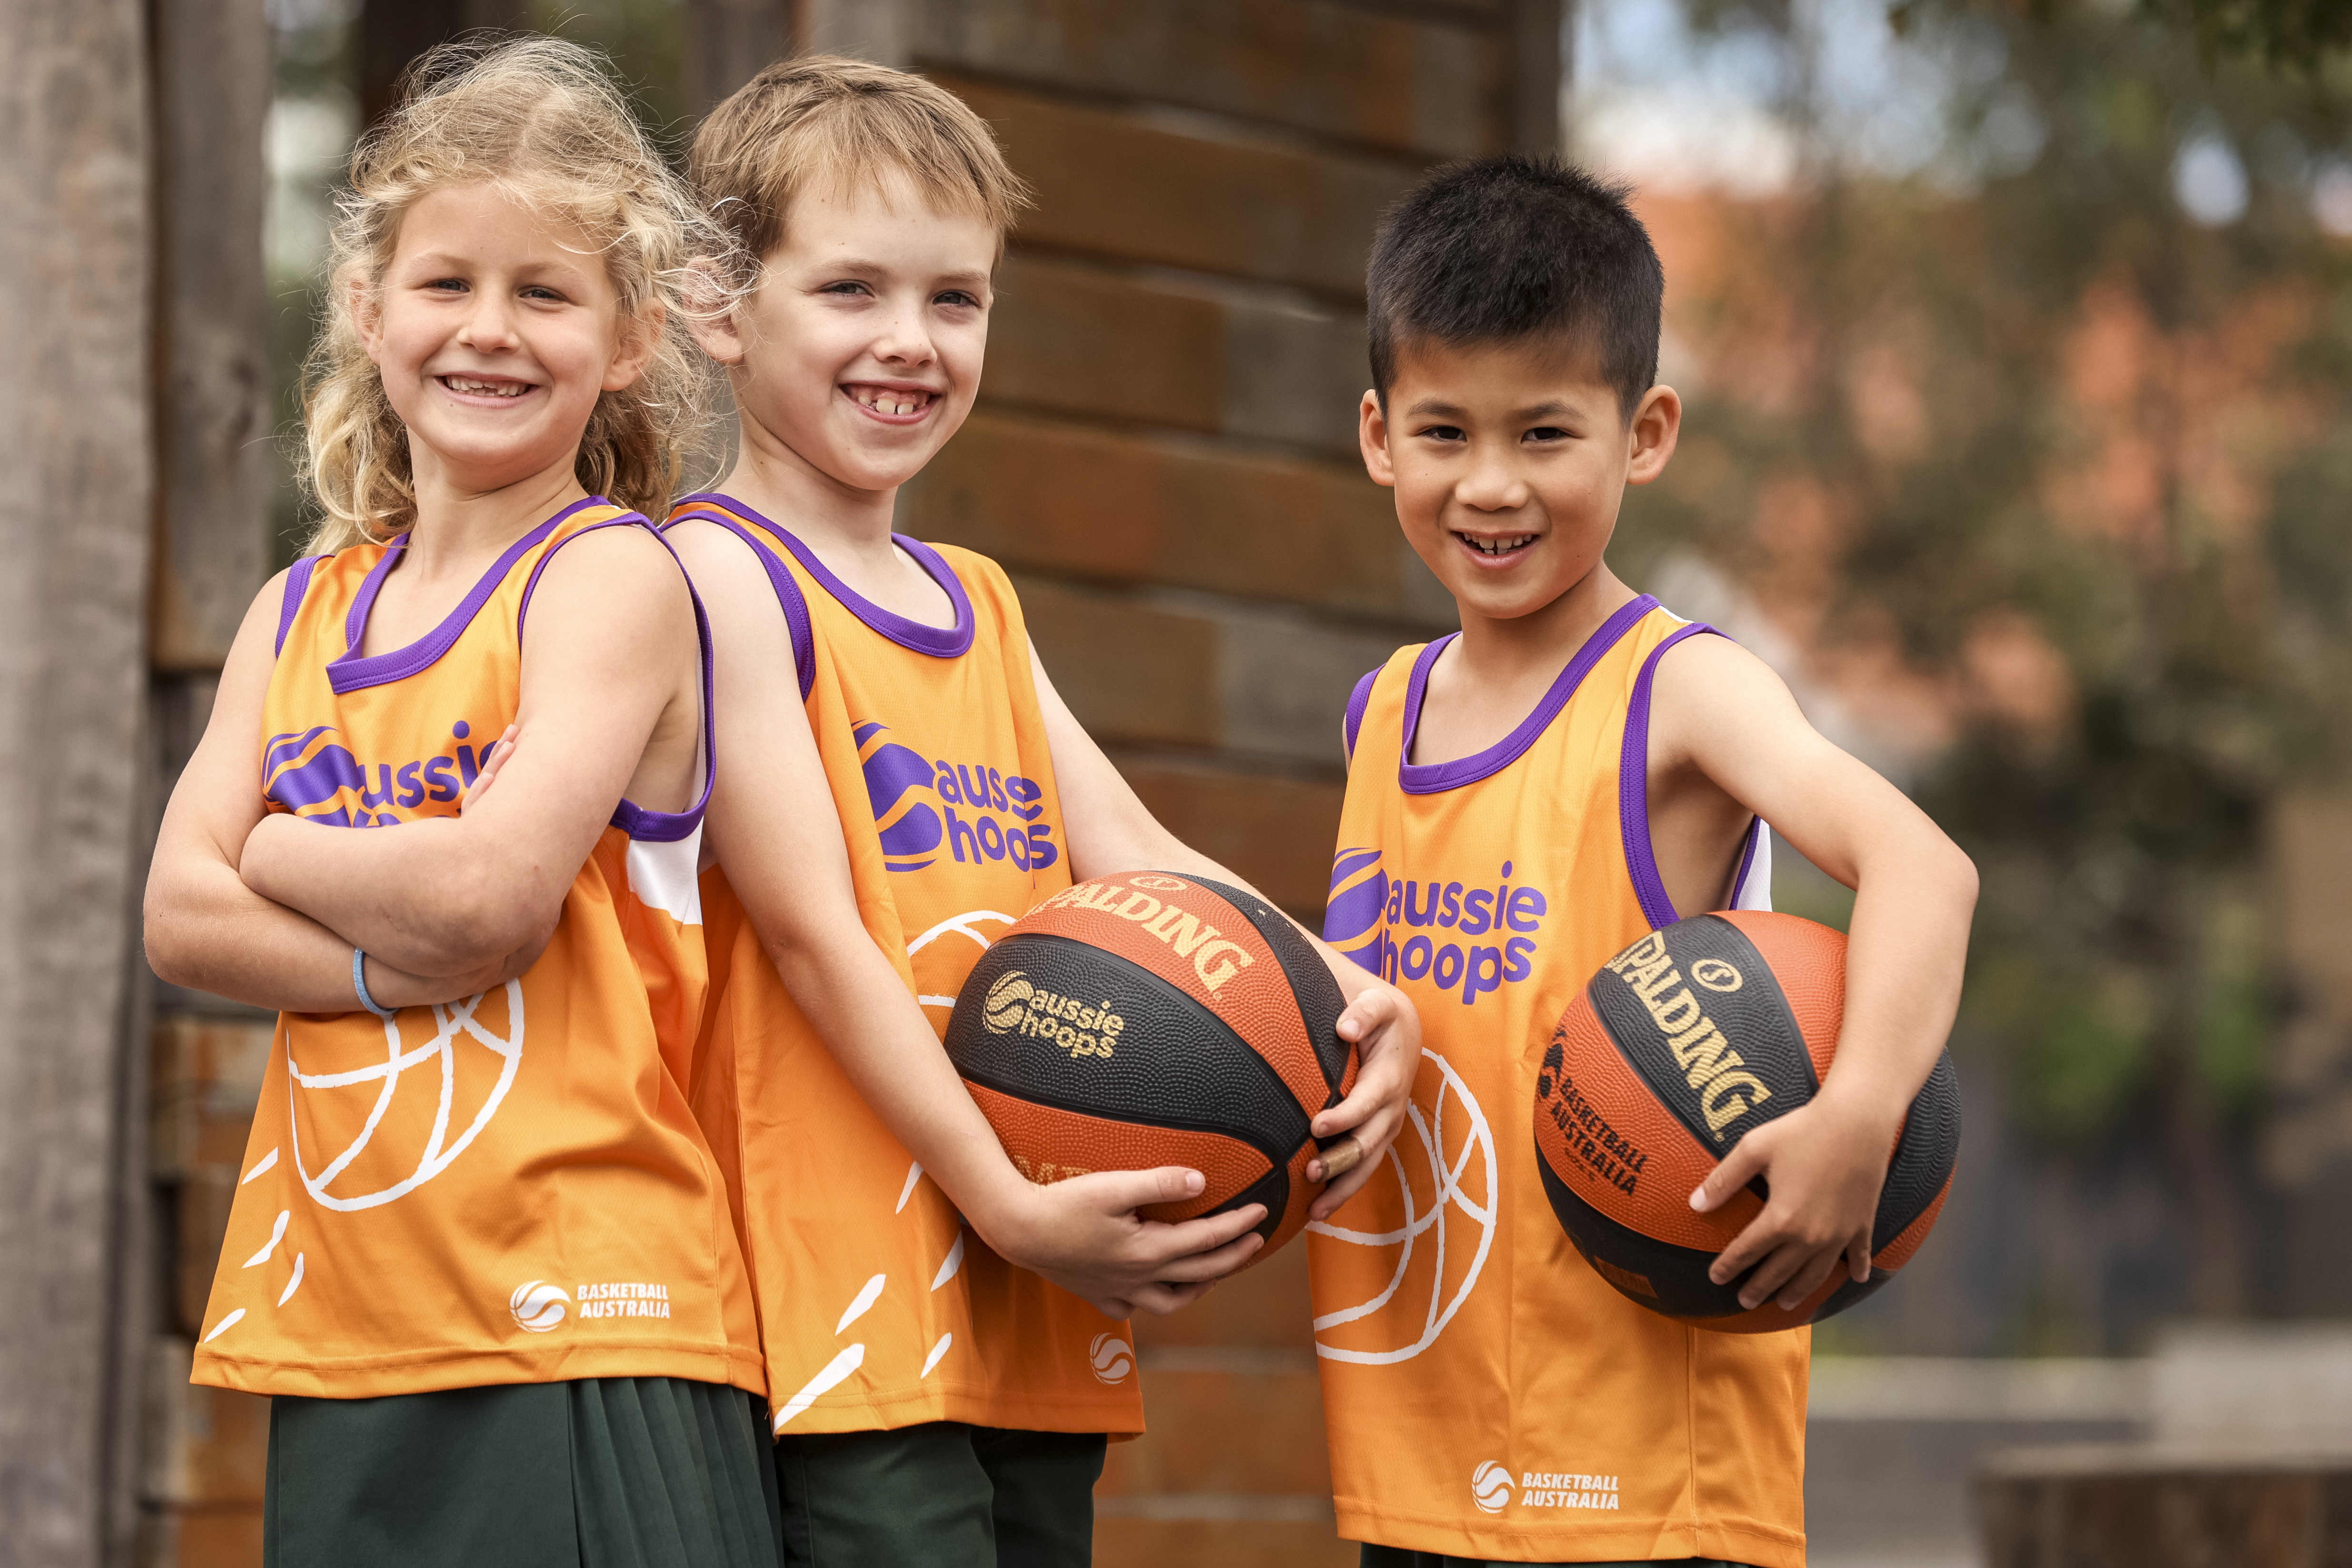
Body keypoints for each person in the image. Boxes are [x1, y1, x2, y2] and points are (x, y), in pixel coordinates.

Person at [659, 55, 1422, 1568]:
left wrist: (1345, 985)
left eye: (957, 299)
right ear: (720, 305)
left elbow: (1134, 850)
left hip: (1029, 1280)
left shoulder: (978, 603)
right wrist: (1006, 1201)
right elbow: (814, 940)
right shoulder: (716, 574)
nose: (910, 342)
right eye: (852, 290)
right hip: (844, 1305)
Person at [142, 39, 779, 1568]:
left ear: (627, 340)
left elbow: (492, 904)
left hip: (586, 1320)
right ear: (367, 311)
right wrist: (385, 960)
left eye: (545, 295)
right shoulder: (301, 606)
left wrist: (283, 848)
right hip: (350, 1320)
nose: (488, 332)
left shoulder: (610, 578)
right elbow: (174, 914)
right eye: (447, 285)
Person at [1310, 155, 1979, 1568]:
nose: (1490, 486)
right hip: (1417, 1431)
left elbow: (1925, 868)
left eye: (1546, 433)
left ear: (1646, 431)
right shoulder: (1383, 709)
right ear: (1379, 436)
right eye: (1445, 432)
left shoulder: (1682, 691)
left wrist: (1859, 1117)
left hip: (1648, 1468)